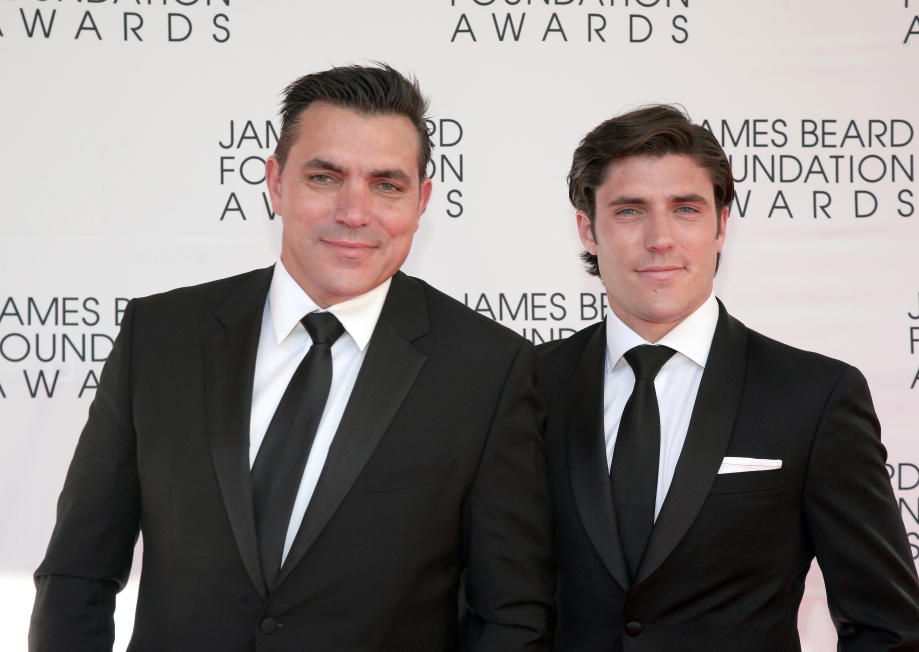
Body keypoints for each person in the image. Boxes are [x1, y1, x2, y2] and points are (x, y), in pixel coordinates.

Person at [29, 64, 553, 652]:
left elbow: (510, 614)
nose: (354, 213)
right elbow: (78, 571)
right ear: (276, 183)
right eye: (325, 177)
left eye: (387, 185)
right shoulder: (161, 338)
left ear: (422, 200)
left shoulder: (488, 369)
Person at [537, 104, 919, 651]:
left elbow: (888, 628)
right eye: (629, 211)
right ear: (588, 230)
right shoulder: (527, 387)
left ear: (721, 226)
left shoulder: (814, 397)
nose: (660, 239)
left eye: (686, 209)